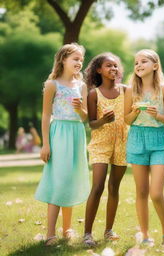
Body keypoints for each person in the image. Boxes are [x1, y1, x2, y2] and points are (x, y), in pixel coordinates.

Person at [35, 43, 90, 246]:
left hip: (77, 133)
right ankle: (50, 233)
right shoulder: (52, 85)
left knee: (71, 179)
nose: (79, 62)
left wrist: (80, 110)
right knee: (58, 180)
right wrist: (45, 144)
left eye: (81, 59)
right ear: (63, 60)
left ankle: (67, 229)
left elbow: (85, 117)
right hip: (59, 133)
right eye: (75, 58)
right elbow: (46, 115)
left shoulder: (82, 86)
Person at [124, 49, 164, 247]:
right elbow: (126, 120)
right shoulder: (131, 91)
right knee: (141, 191)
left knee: (156, 192)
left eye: (143, 61)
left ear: (155, 65)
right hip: (137, 140)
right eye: (136, 62)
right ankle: (145, 235)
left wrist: (158, 116)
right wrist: (135, 111)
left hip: (159, 143)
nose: (138, 65)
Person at [83, 53, 127, 246]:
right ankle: (87, 234)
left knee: (114, 187)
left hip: (122, 142)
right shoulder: (94, 94)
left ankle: (109, 230)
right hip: (100, 143)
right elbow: (92, 123)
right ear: (99, 70)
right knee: (98, 185)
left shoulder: (127, 90)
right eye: (109, 66)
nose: (113, 69)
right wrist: (102, 120)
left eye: (116, 66)